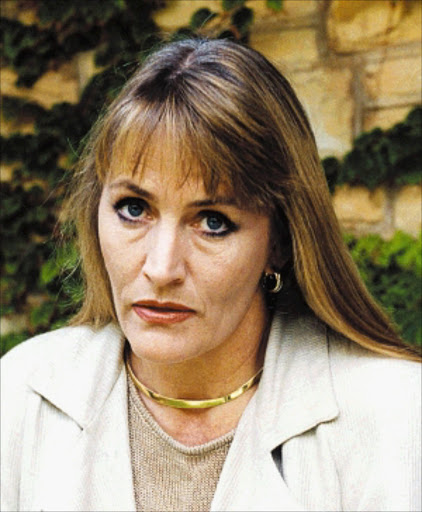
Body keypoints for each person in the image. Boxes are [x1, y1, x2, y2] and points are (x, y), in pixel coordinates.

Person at [1, 38, 420, 512]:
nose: (161, 269)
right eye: (133, 208)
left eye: (213, 222)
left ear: (280, 241)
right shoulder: (22, 394)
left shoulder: (395, 416)